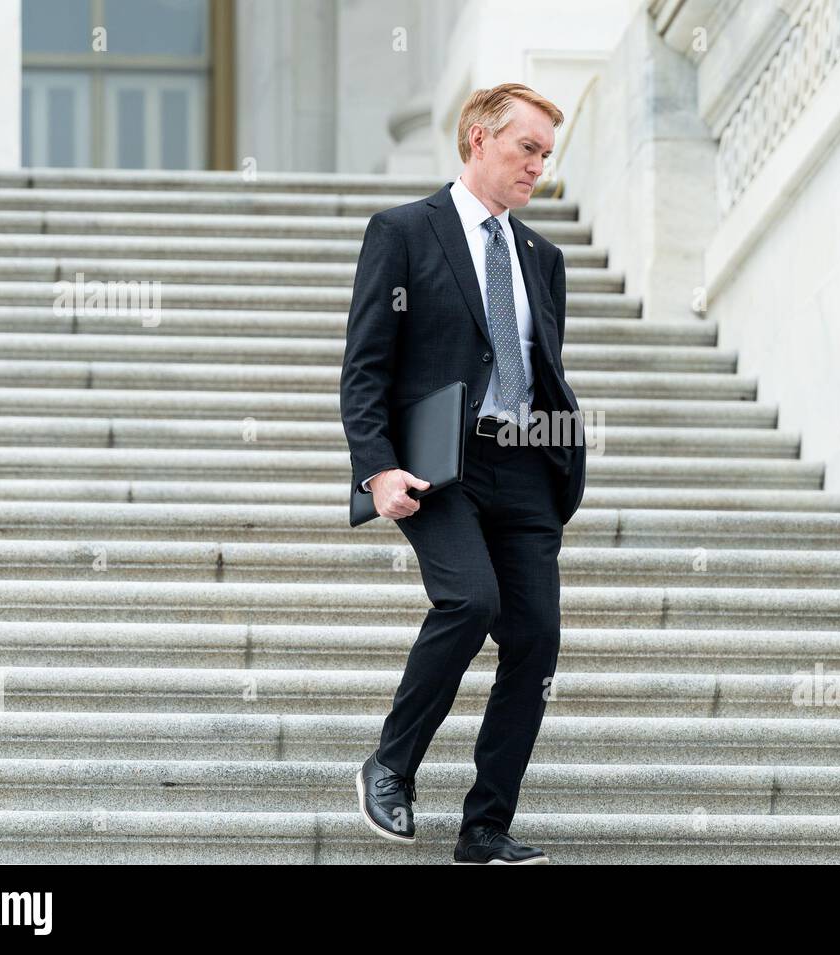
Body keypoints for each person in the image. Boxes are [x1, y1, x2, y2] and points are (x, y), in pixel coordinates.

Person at [340, 82, 587, 864]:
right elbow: (366, 366)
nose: (537, 168)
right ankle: (391, 764)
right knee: (470, 597)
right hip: (440, 465)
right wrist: (377, 468)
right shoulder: (405, 232)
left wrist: (557, 465)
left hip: (525, 470)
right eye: (527, 148)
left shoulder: (542, 258)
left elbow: (544, 367)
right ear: (479, 139)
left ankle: (485, 825)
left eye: (547, 155)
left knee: (537, 640)